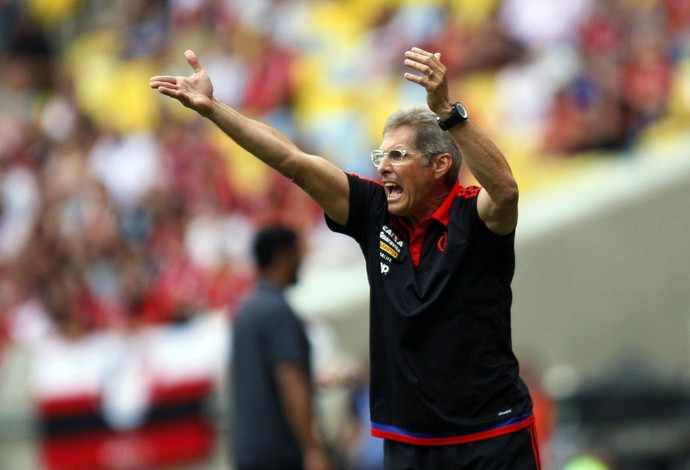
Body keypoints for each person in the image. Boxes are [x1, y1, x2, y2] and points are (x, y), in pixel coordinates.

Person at [151, 47, 540, 469]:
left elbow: (506, 191)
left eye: (398, 156)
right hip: (410, 442)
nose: (383, 168)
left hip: (492, 434)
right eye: (380, 156)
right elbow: (293, 161)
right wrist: (213, 110)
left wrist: (448, 110)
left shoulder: (474, 215)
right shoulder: (374, 212)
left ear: (439, 165)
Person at [229, 226, 332, 470]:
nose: (302, 261)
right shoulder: (277, 312)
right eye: (298, 253)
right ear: (282, 256)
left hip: (248, 451)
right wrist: (312, 449)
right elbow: (289, 380)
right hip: (280, 453)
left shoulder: (246, 309)